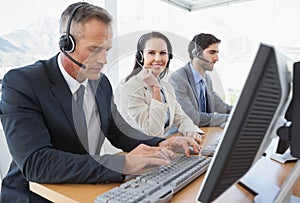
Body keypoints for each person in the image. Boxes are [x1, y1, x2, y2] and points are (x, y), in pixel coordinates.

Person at [0, 3, 200, 202]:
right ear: (66, 45)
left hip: (84, 189)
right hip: (35, 196)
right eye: (94, 49)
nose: (104, 60)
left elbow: (117, 130)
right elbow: (37, 163)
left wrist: (162, 142)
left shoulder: (100, 83)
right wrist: (121, 164)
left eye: (106, 50)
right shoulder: (23, 83)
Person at [114, 31, 203, 141]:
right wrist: (155, 89)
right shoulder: (130, 88)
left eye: (162, 53)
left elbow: (180, 117)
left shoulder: (165, 86)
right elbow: (152, 133)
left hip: (157, 148)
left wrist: (191, 130)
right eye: (151, 53)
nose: (158, 58)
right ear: (141, 56)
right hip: (135, 151)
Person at [169, 33, 232, 127]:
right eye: (212, 52)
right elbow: (193, 118)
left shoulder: (206, 79)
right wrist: (229, 118)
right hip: (180, 136)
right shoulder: (178, 78)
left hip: (202, 134)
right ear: (196, 53)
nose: (216, 58)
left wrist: (243, 111)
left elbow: (223, 108)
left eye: (217, 53)